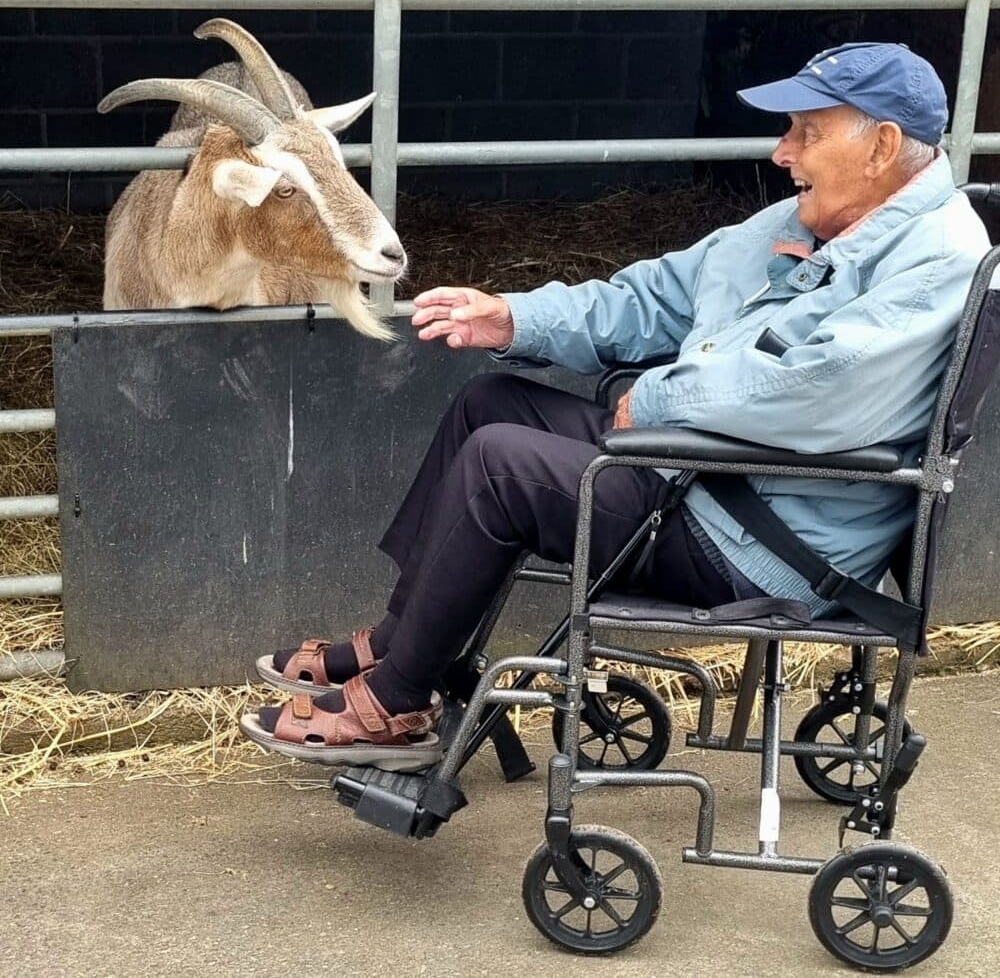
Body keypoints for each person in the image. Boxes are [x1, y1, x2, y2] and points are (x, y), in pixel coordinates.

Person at [241, 41, 990, 769]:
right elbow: (657, 295)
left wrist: (660, 397)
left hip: (763, 540)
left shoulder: (936, 260)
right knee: (490, 404)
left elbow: (815, 391)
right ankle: (401, 642)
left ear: (882, 145)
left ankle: (398, 704)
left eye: (806, 132)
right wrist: (515, 318)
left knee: (502, 468)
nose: (781, 153)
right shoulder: (811, 221)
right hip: (706, 474)